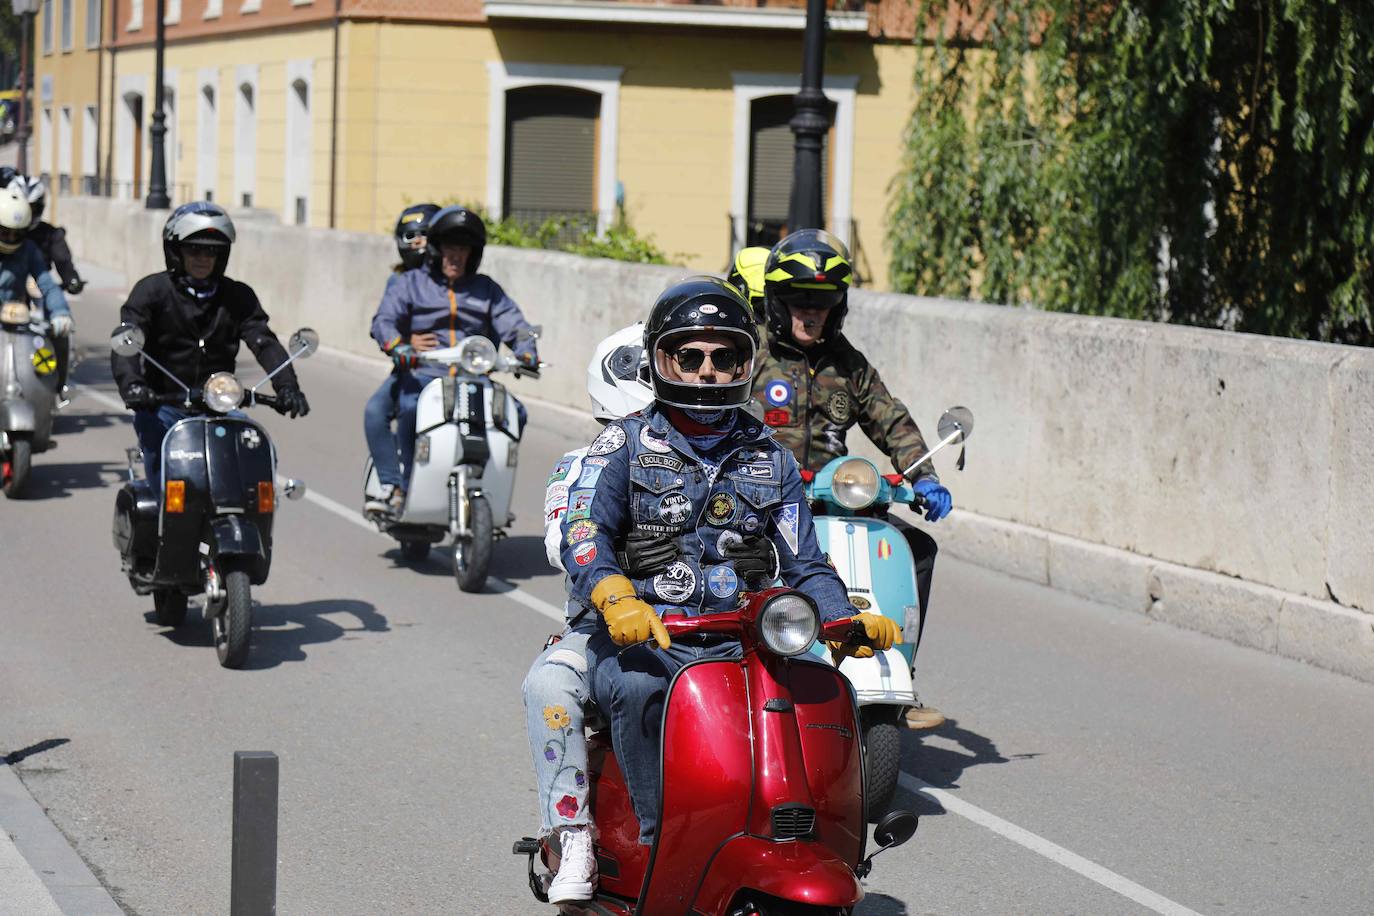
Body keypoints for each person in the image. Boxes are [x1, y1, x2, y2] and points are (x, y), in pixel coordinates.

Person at [560, 276, 900, 848]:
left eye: (725, 356)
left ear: (746, 363)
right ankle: (656, 838)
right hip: (650, 639)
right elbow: (582, 530)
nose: (706, 370)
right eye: (689, 356)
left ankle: (823, 843)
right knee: (634, 689)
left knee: (822, 696)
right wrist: (615, 595)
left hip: (745, 638)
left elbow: (805, 562)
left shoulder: (772, 456)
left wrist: (843, 620)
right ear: (660, 360)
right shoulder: (621, 445)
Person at [523, 322, 782, 904]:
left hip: (726, 625)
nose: (698, 374)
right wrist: (622, 566)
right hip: (610, 626)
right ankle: (573, 832)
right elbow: (564, 539)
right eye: (681, 360)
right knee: (548, 683)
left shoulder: (741, 452)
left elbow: (783, 536)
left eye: (710, 361)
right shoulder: (585, 460)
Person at [745, 228, 951, 729]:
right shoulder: (748, 356)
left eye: (822, 301)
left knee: (918, 548)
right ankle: (737, 671)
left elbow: (891, 419)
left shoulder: (849, 365)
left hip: (838, 501)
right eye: (798, 300)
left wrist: (924, 475)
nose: (810, 311)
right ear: (776, 301)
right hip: (763, 501)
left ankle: (898, 667)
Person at [111, 202, 310, 483]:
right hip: (163, 405)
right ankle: (163, 522)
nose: (202, 257)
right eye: (194, 249)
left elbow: (263, 342)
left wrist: (288, 387)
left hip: (220, 406)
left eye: (211, 250)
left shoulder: (238, 297)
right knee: (163, 457)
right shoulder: (152, 292)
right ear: (175, 250)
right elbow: (127, 340)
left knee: (261, 456)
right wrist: (133, 385)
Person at [365, 205, 538, 517]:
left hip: (475, 376)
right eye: (449, 248)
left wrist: (527, 350)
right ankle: (400, 485)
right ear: (435, 249)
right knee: (407, 409)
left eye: (463, 249)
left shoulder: (486, 289)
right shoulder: (411, 282)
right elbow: (384, 320)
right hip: (425, 373)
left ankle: (490, 486)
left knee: (517, 413)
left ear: (474, 254)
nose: (455, 256)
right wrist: (398, 345)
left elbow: (514, 324)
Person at [361, 203, 440, 517]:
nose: (418, 242)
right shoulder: (399, 281)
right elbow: (382, 322)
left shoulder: (455, 278)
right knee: (376, 411)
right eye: (411, 236)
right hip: (411, 368)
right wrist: (405, 344)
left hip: (451, 369)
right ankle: (392, 484)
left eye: (425, 235)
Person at [0, 186, 72, 369]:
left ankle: (60, 386)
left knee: (55, 343)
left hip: (15, 320)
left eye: (17, 234)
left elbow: (47, 284)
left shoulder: (29, 249)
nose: (11, 238)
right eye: (5, 232)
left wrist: (60, 313)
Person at [9, 175, 84, 294]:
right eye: (22, 208)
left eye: (32, 208)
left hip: (39, 287)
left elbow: (62, 260)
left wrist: (71, 278)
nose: (27, 214)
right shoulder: (4, 230)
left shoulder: (50, 234)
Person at [391, 202, 439, 272]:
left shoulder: (452, 275)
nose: (417, 241)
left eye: (424, 234)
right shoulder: (399, 279)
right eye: (410, 236)